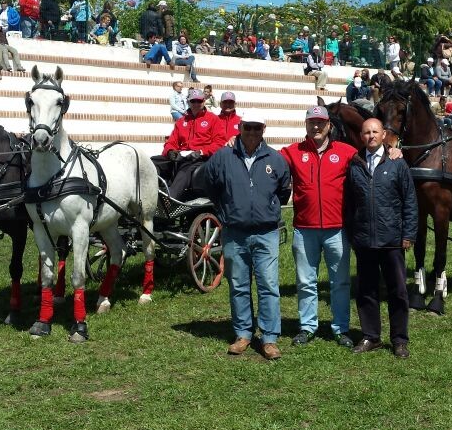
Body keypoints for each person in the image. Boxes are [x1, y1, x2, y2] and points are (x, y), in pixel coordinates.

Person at [203, 112, 291, 360]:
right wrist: (224, 209)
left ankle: (270, 338)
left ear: (264, 129)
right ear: (240, 127)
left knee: (269, 286)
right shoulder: (223, 156)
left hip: (266, 232)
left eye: (257, 128)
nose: (252, 133)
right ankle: (243, 334)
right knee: (239, 286)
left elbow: (284, 189)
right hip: (235, 233)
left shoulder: (275, 158)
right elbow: (208, 182)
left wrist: (268, 209)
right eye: (248, 127)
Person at [279, 106, 358, 349]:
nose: (316, 126)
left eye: (320, 122)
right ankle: (307, 326)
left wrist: (393, 151)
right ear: (305, 125)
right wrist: (234, 141)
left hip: (337, 228)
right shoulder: (292, 152)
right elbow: (264, 159)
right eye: (311, 122)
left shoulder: (347, 152)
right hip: (305, 228)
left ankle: (341, 327)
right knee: (305, 281)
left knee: (341, 282)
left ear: (329, 126)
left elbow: (374, 159)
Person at [345, 118, 417, 358]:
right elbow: (349, 203)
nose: (371, 136)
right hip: (364, 240)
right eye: (366, 132)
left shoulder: (397, 163)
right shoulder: (354, 163)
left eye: (375, 132)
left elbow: (409, 201)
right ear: (361, 135)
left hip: (392, 239)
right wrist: (351, 233)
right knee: (366, 290)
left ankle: (399, 340)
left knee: (397, 291)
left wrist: (408, 234)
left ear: (384, 134)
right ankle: (370, 336)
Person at [153, 88, 219, 199]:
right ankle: (150, 193)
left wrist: (201, 152)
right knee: (154, 161)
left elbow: (219, 143)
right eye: (193, 101)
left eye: (199, 101)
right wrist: (170, 152)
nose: (196, 104)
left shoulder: (213, 119)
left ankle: (169, 200)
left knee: (185, 169)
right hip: (181, 156)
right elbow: (171, 142)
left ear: (204, 102)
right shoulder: (181, 121)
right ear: (188, 102)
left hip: (200, 158)